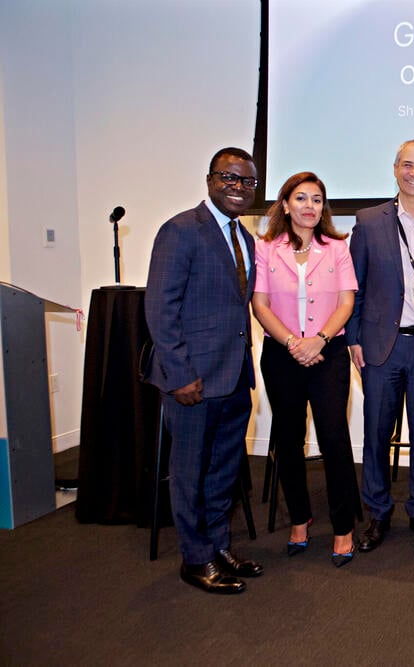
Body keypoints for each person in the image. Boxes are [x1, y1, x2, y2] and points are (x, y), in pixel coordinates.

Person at [145, 147, 263, 594]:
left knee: (223, 471)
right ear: (210, 180)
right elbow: (160, 308)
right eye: (228, 178)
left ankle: (218, 546)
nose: (238, 187)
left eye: (247, 182)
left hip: (233, 377)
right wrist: (179, 375)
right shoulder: (180, 231)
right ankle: (195, 559)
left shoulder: (246, 239)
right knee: (190, 471)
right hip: (192, 380)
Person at [346, 140, 414, 553]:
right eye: (407, 165)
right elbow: (353, 287)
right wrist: (353, 338)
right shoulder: (369, 221)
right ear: (395, 169)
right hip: (380, 347)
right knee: (376, 432)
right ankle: (376, 512)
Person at [251, 171, 360, 567]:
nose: (310, 206)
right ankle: (299, 518)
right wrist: (294, 344)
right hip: (283, 354)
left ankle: (343, 526)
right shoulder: (265, 249)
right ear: (285, 204)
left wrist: (319, 341)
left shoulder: (337, 247)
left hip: (327, 353)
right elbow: (260, 305)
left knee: (334, 439)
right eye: (301, 198)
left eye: (317, 199)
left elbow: (346, 303)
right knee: (288, 438)